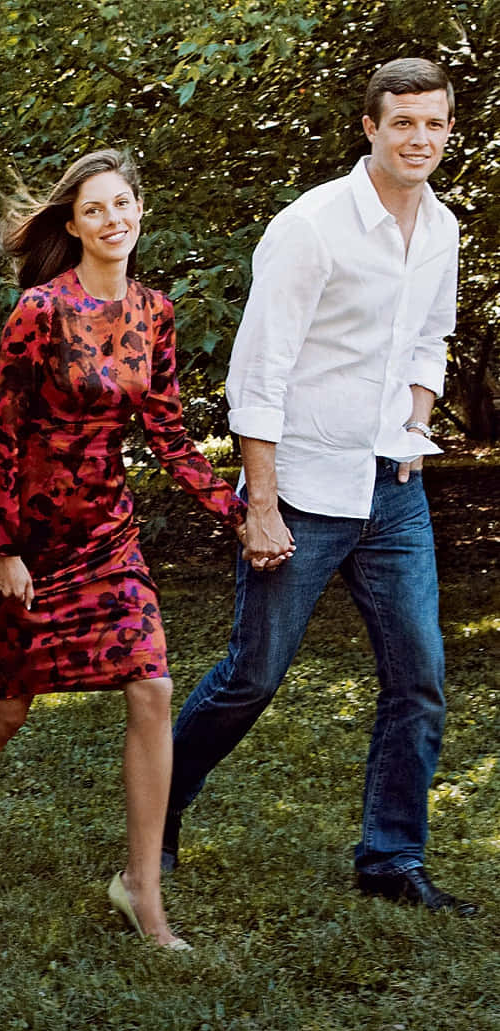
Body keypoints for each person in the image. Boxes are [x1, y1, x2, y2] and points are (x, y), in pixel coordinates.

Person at [0, 150, 246, 949]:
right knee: (4, 708)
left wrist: (232, 511)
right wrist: (4, 546)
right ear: (73, 223)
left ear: (139, 212)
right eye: (94, 209)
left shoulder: (155, 312)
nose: (111, 219)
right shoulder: (39, 309)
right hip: (35, 539)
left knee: (152, 688)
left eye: (122, 203)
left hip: (107, 533)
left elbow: (165, 428)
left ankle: (141, 888)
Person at [162, 58, 476, 916]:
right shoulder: (310, 227)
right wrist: (257, 504)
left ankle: (390, 861)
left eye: (434, 124)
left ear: (450, 130)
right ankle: (153, 813)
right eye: (402, 123)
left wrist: (413, 423)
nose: (419, 138)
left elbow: (428, 338)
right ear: (369, 128)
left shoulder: (441, 228)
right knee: (252, 676)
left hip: (391, 490)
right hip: (300, 488)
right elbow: (258, 372)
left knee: (419, 678)